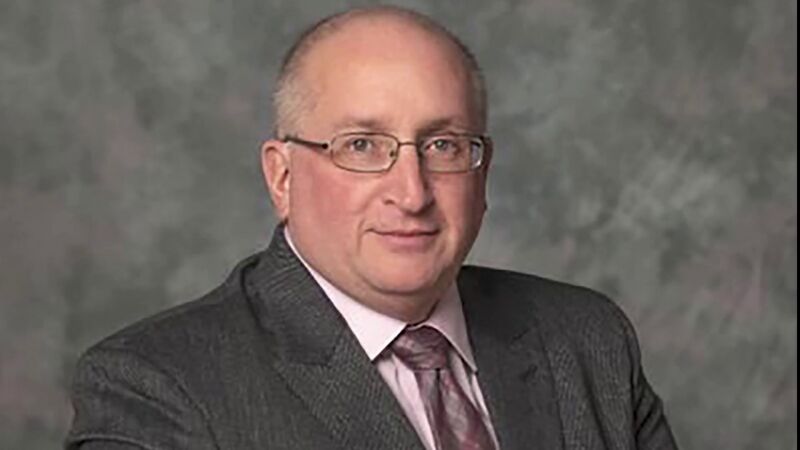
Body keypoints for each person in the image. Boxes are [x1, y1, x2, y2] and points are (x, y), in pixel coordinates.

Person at [65, 6, 678, 450]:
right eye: (361, 145)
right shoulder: (156, 385)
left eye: (442, 145)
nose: (412, 193)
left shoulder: (587, 339)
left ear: (483, 171)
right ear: (282, 177)